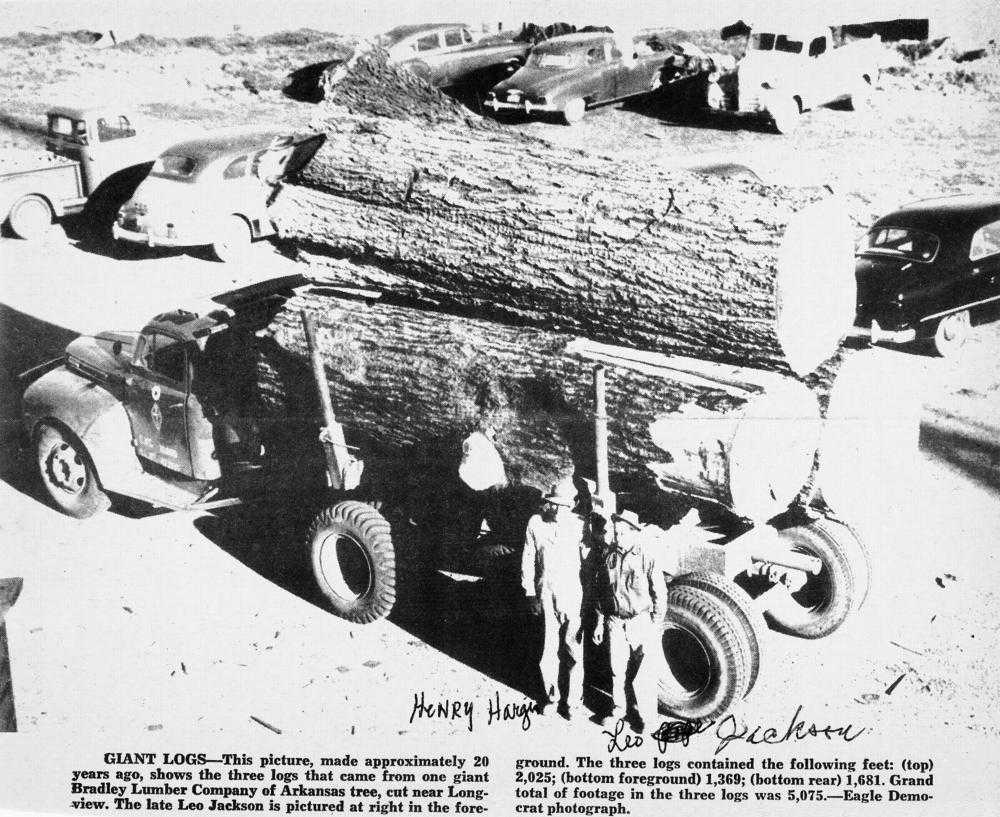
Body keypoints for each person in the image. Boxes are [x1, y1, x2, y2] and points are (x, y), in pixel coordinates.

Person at [591, 509, 667, 733]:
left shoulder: (646, 556)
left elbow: (659, 593)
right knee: (617, 668)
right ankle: (618, 710)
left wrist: (655, 623)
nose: (617, 537)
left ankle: (646, 717)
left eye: (622, 533)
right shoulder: (609, 556)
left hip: (640, 620)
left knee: (644, 671)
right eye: (615, 532)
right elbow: (601, 591)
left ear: (634, 533)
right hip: (615, 620)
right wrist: (599, 621)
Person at [521, 482, 588, 719]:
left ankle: (572, 703)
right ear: (549, 503)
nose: (559, 511)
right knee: (548, 650)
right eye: (555, 505)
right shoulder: (536, 524)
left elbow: (593, 558)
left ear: (573, 505)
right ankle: (551, 698)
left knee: (572, 650)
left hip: (571, 595)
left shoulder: (581, 527)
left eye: (565, 506)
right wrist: (530, 593)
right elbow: (528, 559)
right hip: (546, 594)